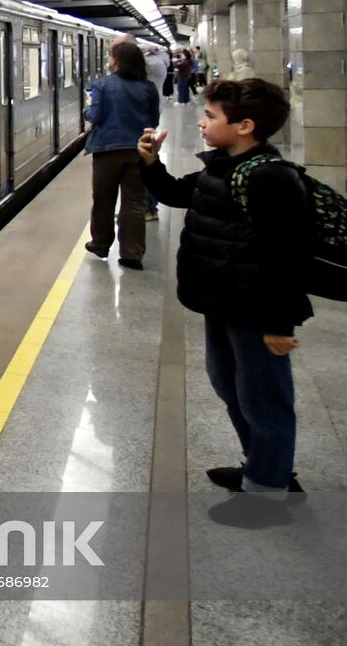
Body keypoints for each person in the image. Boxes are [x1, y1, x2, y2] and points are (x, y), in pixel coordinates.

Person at [139, 78, 310, 526]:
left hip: (256, 309)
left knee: (264, 399)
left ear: (244, 126)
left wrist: (280, 324)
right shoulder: (223, 167)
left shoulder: (270, 179)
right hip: (223, 301)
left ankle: (268, 495)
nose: (201, 120)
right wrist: (151, 163)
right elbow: (177, 193)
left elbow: (286, 257)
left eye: (211, 115)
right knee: (230, 385)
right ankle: (261, 467)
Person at [83, 35, 160, 269]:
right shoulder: (148, 88)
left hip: (107, 150)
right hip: (138, 150)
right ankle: (132, 254)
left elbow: (93, 116)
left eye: (111, 56)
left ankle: (100, 244)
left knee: (104, 199)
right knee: (135, 201)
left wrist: (88, 105)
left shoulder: (102, 85)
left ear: (116, 61)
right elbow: (154, 119)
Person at [141, 45, 170, 221]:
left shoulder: (151, 67)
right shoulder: (160, 63)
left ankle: (149, 207)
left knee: (144, 163)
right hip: (151, 117)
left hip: (144, 121)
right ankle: (149, 207)